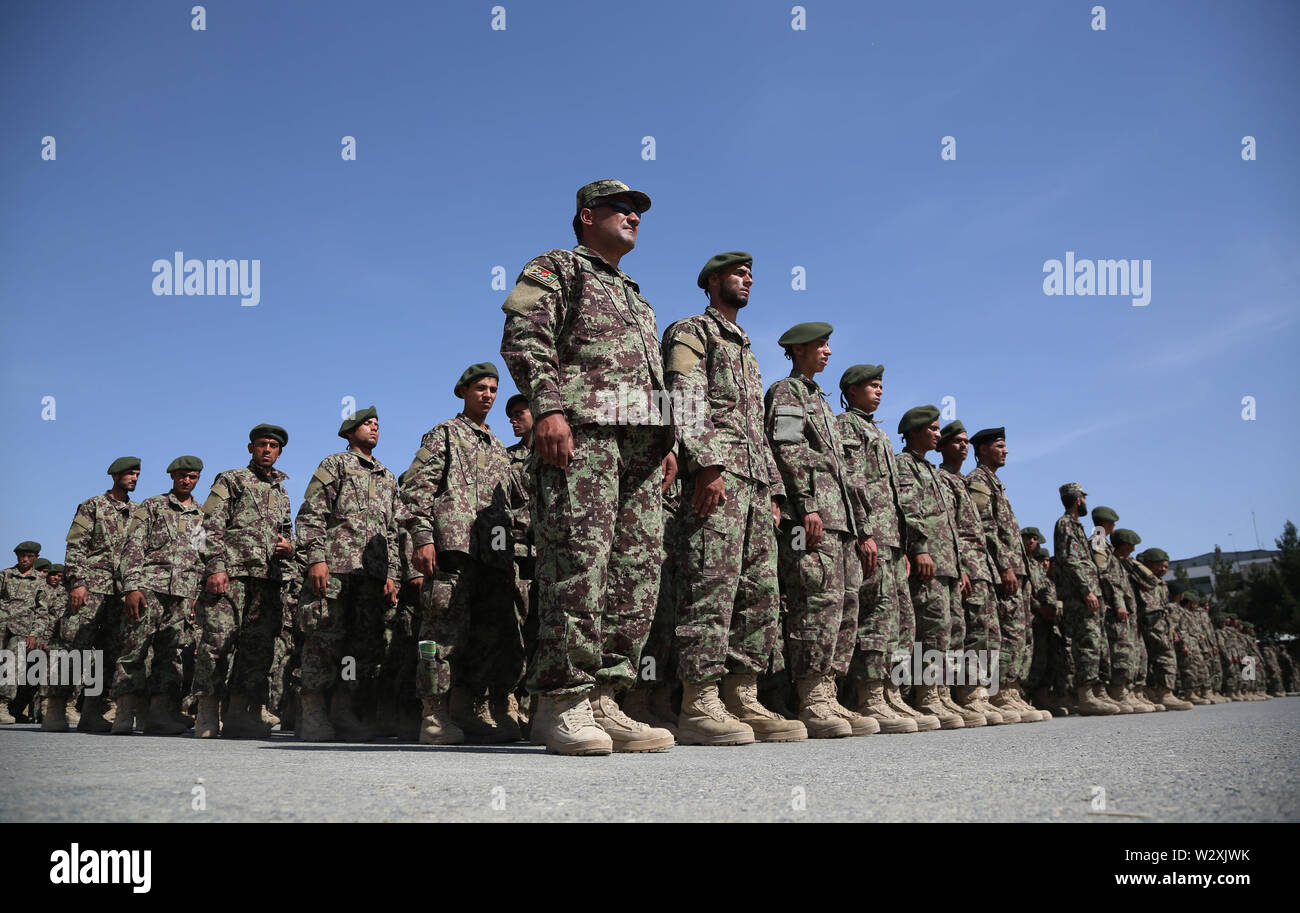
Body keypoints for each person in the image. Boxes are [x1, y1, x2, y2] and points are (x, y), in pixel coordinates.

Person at [500, 179, 677, 756]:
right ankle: (560, 700)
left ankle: (605, 694)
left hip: (642, 449)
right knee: (579, 561)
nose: (634, 217)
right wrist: (548, 407)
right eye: (622, 209)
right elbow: (525, 335)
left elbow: (653, 378)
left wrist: (670, 438)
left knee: (636, 570)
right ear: (586, 216)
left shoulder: (637, 295)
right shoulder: (557, 267)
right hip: (583, 439)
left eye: (639, 212)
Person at [661, 252, 805, 744]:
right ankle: (699, 699)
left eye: (751, 276)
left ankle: (742, 692)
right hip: (717, 478)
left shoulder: (747, 348)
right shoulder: (691, 332)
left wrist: (773, 491)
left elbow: (757, 428)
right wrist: (706, 464)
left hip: (754, 483)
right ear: (712, 281)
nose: (747, 281)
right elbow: (685, 395)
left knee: (757, 592)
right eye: (738, 274)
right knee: (711, 584)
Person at [765, 322, 877, 738]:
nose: (828, 351)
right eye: (821, 345)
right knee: (817, 604)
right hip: (815, 519)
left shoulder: (824, 404)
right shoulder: (787, 392)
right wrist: (806, 505)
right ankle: (811, 696)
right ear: (797, 350)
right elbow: (787, 448)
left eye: (829, 345)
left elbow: (848, 474)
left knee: (845, 607)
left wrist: (863, 528)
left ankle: (829, 692)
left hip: (842, 521)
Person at [402, 363, 521, 745]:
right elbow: (416, 488)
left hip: (493, 559)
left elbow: (515, 506)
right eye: (480, 388)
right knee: (439, 634)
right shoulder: (445, 435)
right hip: (453, 552)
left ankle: (466, 709)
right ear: (463, 392)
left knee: (485, 636)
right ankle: (432, 714)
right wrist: (422, 538)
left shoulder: (500, 449)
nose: (488, 395)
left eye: (493, 389)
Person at [836, 366, 936, 732]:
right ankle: (870, 695)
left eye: (881, 386)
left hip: (892, 540)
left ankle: (892, 692)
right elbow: (853, 480)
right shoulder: (846, 425)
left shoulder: (877, 431)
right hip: (873, 535)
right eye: (872, 385)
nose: (879, 391)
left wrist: (907, 547)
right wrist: (864, 531)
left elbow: (895, 498)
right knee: (876, 615)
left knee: (900, 620)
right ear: (851, 389)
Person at [295, 407, 401, 741]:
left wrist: (392, 573)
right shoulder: (334, 464)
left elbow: (393, 531)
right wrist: (316, 558)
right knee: (322, 638)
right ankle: (312, 711)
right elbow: (312, 513)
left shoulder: (387, 475)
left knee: (359, 645)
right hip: (335, 568)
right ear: (350, 431)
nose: (374, 429)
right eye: (367, 424)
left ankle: (342, 708)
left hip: (370, 574)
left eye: (377, 425)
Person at [193, 424, 294, 738]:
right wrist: (215, 567)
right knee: (217, 642)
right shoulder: (231, 479)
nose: (267, 450)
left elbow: (288, 532)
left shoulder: (282, 490)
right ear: (251, 448)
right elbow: (208, 524)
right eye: (262, 444)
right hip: (232, 575)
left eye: (273, 446)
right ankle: (207, 713)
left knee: (257, 649)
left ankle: (240, 714)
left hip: (267, 581)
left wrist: (289, 547)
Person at [111, 456, 207, 735]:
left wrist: (195, 597)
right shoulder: (152, 506)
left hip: (182, 593)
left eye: (192, 477)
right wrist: (132, 586)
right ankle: (125, 712)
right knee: (135, 649)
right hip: (149, 589)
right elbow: (133, 548)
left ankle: (159, 714)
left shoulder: (202, 515)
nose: (186, 481)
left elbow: (202, 556)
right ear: (172, 477)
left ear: (198, 479)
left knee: (172, 653)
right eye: (181, 476)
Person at [45, 457, 140, 731]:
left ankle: (91, 709)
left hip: (119, 592)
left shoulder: (138, 512)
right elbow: (76, 545)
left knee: (108, 653)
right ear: (115, 475)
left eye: (137, 474)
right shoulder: (92, 506)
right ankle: (56, 707)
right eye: (129, 474)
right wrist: (77, 582)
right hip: (90, 588)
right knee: (73, 647)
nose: (134, 478)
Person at [894, 407, 971, 729]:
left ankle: (942, 692)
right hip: (929, 563)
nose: (939, 434)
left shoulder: (933, 472)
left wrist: (961, 565)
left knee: (952, 630)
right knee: (930, 629)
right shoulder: (905, 465)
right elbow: (910, 510)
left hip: (948, 564)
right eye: (934, 429)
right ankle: (926, 694)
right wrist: (920, 549)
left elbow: (951, 525)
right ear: (915, 430)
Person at [966, 429, 1048, 721]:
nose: (1006, 451)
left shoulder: (995, 483)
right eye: (1000, 446)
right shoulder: (978, 481)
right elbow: (985, 527)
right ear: (984, 449)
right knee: (1005, 632)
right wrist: (1004, 566)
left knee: (1019, 632)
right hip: (1004, 571)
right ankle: (1000, 691)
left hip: (1015, 569)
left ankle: (1012, 689)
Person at [936, 421, 1009, 724]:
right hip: (962, 564)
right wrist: (962, 565)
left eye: (966, 441)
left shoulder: (963, 481)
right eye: (957, 441)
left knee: (986, 630)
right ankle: (967, 692)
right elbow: (949, 529)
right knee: (970, 630)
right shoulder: (941, 479)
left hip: (978, 565)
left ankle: (981, 690)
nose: (963, 446)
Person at [1053, 483, 1119, 715]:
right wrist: (1086, 591)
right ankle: (1085, 695)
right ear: (1079, 499)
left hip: (1089, 593)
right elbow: (1070, 561)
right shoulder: (1065, 524)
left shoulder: (1078, 527)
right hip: (1079, 596)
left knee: (1097, 643)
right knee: (1087, 644)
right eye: (1084, 498)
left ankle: (1097, 690)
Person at [1, 542, 50, 724]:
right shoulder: (5, 575)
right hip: (1, 625)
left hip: (21, 630)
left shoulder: (40, 581)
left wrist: (34, 634)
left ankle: (3, 705)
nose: (24, 559)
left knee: (10, 666)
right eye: (21, 555)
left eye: (29, 556)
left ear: (35, 558)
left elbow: (42, 611)